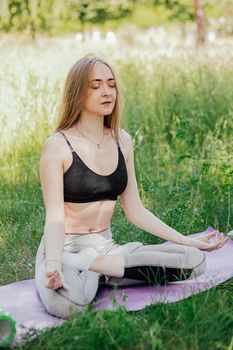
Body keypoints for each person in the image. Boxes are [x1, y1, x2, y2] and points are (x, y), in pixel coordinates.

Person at [35, 55, 228, 319]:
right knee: (70, 305)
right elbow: (55, 218)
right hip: (64, 248)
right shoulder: (57, 146)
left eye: (111, 84)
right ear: (77, 92)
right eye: (96, 86)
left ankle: (99, 269)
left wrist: (187, 240)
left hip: (107, 248)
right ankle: (94, 269)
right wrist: (53, 264)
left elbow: (135, 210)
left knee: (194, 261)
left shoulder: (121, 140)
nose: (107, 92)